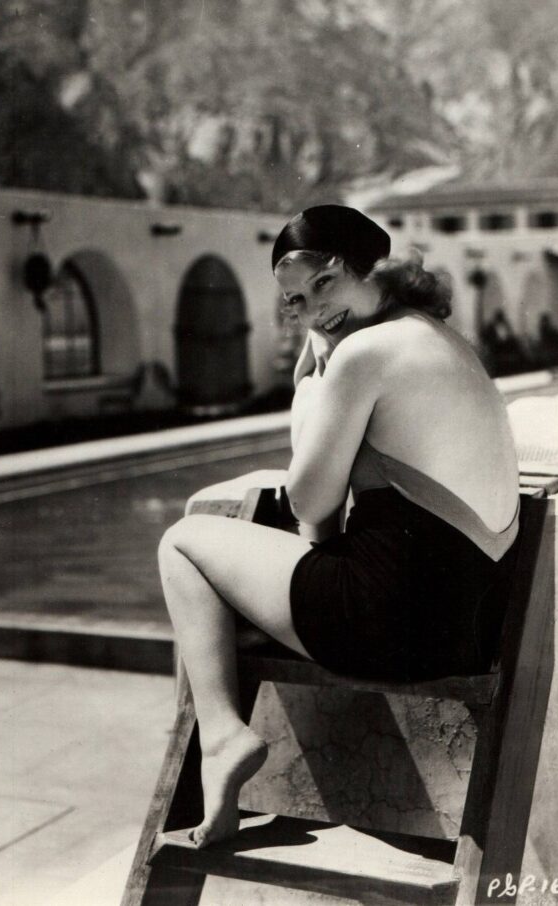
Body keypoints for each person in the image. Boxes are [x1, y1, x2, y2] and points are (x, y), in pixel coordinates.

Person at [157, 204, 520, 849]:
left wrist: (309, 390)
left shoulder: (363, 354)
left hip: (394, 625)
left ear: (373, 266)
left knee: (182, 546)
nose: (313, 309)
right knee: (230, 615)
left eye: (325, 283)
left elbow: (310, 509)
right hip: (466, 630)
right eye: (295, 299)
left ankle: (221, 738)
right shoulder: (439, 338)